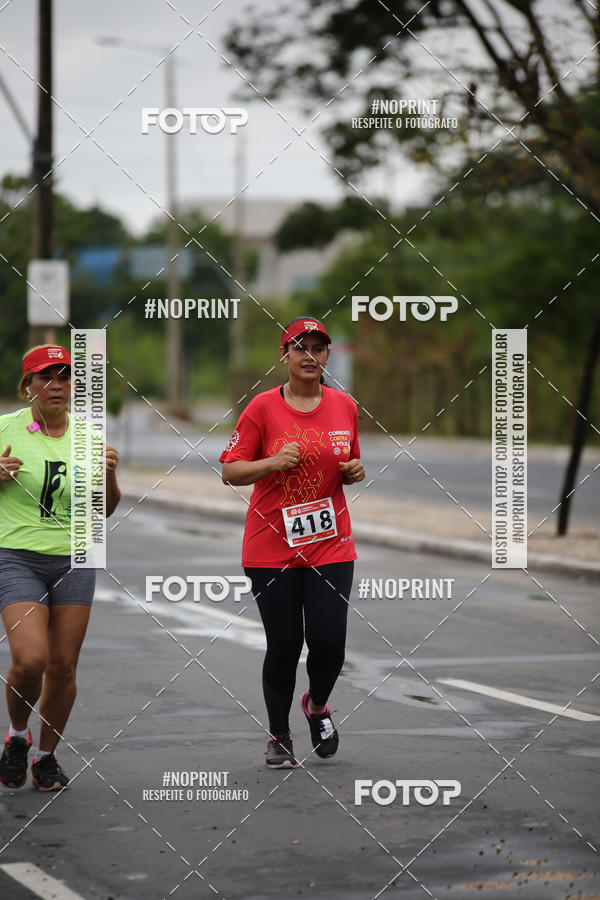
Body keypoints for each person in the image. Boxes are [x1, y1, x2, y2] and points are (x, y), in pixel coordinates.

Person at [220, 317, 365, 767]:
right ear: (284, 355)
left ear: (327, 356)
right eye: (300, 347)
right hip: (271, 547)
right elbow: (230, 471)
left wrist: (355, 471)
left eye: (318, 348)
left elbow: (349, 460)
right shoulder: (262, 408)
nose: (309, 355)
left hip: (330, 543)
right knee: (284, 644)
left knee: (329, 641)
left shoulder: (344, 406)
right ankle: (279, 735)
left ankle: (317, 706)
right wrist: (272, 462)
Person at [0, 345, 121, 790]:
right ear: (27, 385)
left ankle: (46, 758)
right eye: (46, 377)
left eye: (66, 376)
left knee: (64, 666)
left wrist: (109, 474)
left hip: (75, 558)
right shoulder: (5, 428)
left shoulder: (88, 435)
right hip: (16, 556)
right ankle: (17, 736)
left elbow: (104, 509)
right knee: (30, 659)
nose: (57, 385)